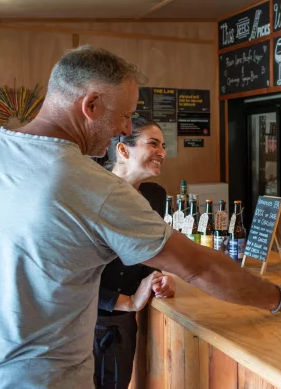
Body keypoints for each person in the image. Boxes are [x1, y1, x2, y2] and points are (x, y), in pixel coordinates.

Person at [0, 45, 281, 389]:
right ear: (90, 105)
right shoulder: (90, 184)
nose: (124, 128)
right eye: (124, 115)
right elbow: (198, 266)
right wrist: (280, 297)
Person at [94, 117, 176, 389]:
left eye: (163, 145)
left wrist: (157, 277)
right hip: (86, 323)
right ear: (123, 150)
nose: (162, 153)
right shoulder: (92, 194)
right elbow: (66, 273)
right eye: (153, 144)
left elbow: (147, 252)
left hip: (122, 325)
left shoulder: (154, 195)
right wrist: (127, 301)